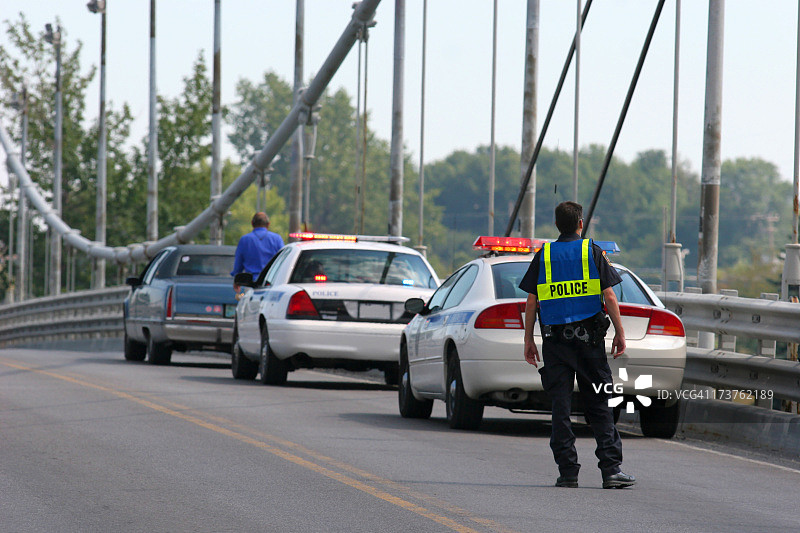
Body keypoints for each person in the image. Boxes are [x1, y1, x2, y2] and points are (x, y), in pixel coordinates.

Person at [518, 201, 635, 489]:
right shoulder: (592, 252)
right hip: (589, 343)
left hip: (555, 343)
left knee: (560, 406)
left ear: (557, 225)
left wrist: (528, 340)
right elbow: (609, 296)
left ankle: (567, 472)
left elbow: (532, 301)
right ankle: (611, 471)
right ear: (580, 223)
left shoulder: (544, 255)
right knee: (599, 405)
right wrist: (620, 333)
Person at [231, 212, 284, 278]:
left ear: (252, 223)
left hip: (251, 282)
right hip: (271, 280)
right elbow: (283, 260)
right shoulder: (277, 239)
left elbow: (238, 264)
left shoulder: (244, 240)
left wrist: (237, 277)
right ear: (268, 224)